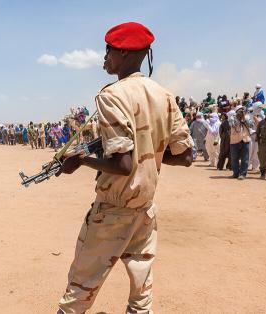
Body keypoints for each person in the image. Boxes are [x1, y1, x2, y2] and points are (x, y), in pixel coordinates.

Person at [55, 22, 193, 314]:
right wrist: (151, 154)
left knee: (80, 287)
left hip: (113, 211)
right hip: (144, 209)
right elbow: (185, 156)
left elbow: (123, 163)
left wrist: (79, 161)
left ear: (123, 52)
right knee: (141, 295)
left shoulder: (111, 95)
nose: (104, 57)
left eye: (107, 50)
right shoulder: (165, 96)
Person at [229, 105, 252, 179]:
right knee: (234, 158)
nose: (241, 112)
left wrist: (244, 118)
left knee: (245, 158)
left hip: (245, 140)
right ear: (236, 112)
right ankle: (235, 173)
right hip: (234, 141)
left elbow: (251, 125)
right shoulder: (232, 118)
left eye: (242, 111)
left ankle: (242, 174)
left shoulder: (247, 117)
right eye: (240, 111)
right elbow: (232, 125)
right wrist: (239, 119)